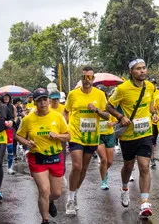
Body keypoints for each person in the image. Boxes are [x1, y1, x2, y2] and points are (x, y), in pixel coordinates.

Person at [106, 58, 159, 218]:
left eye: (143, 68)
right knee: (128, 166)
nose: (142, 71)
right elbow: (108, 106)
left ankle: (144, 203)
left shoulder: (150, 86)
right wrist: (121, 117)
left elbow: (149, 104)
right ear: (131, 71)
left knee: (144, 166)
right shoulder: (122, 89)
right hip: (128, 135)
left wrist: (154, 113)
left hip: (145, 133)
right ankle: (124, 188)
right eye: (138, 69)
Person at [16, 88, 70, 224]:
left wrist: (58, 136)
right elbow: (18, 135)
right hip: (37, 158)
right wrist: (27, 142)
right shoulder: (28, 119)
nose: (43, 103)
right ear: (34, 103)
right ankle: (45, 220)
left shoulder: (57, 116)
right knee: (44, 190)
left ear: (49, 100)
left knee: (56, 193)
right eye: (39, 101)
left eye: (45, 100)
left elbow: (68, 135)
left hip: (55, 157)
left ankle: (50, 201)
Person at [64, 66, 109, 216]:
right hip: (76, 135)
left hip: (91, 136)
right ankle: (70, 200)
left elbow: (107, 116)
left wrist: (96, 110)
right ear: (81, 78)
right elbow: (66, 110)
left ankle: (75, 193)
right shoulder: (73, 94)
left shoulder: (100, 95)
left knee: (83, 169)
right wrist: (66, 125)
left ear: (93, 79)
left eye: (90, 77)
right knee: (76, 166)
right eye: (85, 77)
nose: (87, 80)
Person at [0, 92, 17, 174]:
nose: (6, 98)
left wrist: (12, 122)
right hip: (0, 130)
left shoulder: (12, 106)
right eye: (4, 97)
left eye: (8, 97)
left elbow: (15, 117)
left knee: (10, 149)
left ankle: (10, 168)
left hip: (9, 130)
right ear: (2, 98)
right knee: (0, 150)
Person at [149, 78, 159, 168]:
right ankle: (152, 159)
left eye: (154, 83)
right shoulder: (146, 94)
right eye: (151, 83)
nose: (152, 85)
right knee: (152, 141)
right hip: (150, 122)